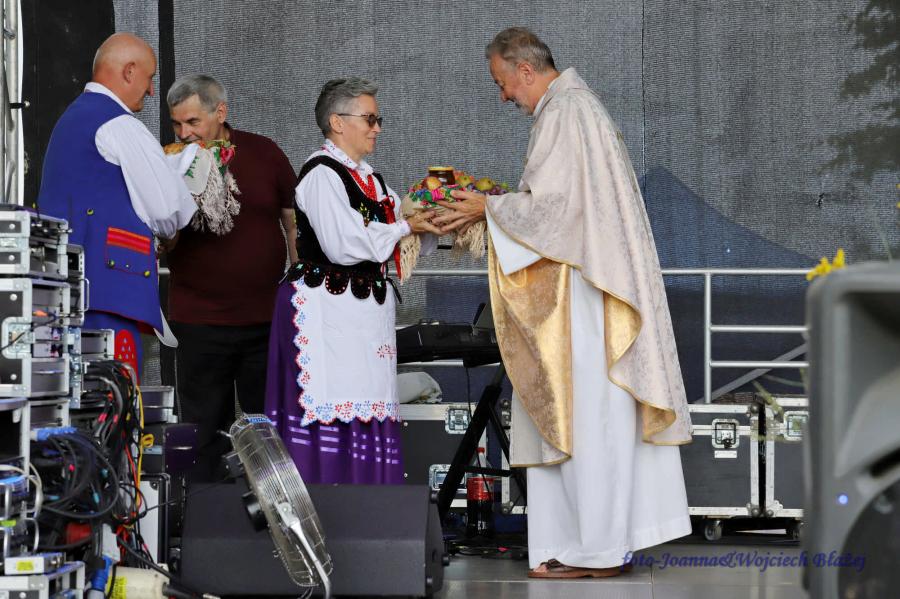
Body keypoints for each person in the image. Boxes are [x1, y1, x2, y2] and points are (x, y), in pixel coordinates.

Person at [435, 27, 693, 578]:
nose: (503, 96)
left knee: (586, 417)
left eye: (503, 83)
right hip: (588, 283)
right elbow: (559, 207)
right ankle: (593, 544)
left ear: (525, 70)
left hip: (582, 294)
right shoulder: (579, 107)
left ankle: (595, 549)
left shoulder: (565, 112)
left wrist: (486, 207)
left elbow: (554, 212)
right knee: (593, 418)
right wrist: (496, 205)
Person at [264, 78, 440, 484]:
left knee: (368, 403)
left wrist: (437, 219)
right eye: (370, 119)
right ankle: (326, 500)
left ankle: (371, 501)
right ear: (337, 122)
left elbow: (404, 232)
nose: (377, 128)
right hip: (325, 314)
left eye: (378, 119)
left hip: (360, 318)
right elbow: (343, 244)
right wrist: (404, 227)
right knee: (330, 406)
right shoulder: (321, 175)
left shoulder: (372, 180)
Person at [38, 33, 196, 380]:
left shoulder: (70, 121)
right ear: (129, 71)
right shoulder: (119, 125)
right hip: (108, 289)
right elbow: (166, 210)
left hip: (66, 290)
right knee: (115, 396)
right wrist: (170, 234)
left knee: (75, 394)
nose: (151, 90)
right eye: (149, 78)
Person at [164, 74, 298, 480]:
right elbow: (165, 237)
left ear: (220, 112)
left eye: (193, 122)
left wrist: (299, 285)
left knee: (270, 430)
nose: (184, 133)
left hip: (264, 319)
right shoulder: (170, 161)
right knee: (204, 430)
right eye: (176, 124)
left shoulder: (264, 152)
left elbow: (292, 221)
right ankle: (205, 511)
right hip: (199, 320)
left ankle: (277, 508)